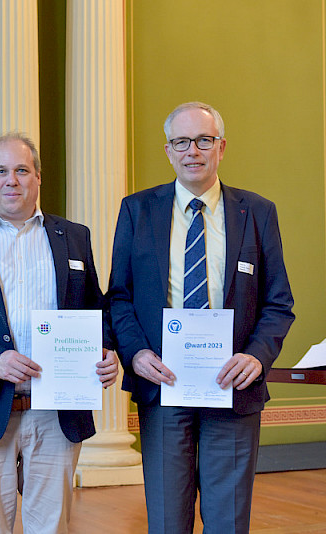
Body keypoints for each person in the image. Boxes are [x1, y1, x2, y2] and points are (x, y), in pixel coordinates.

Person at [108, 101, 295, 533]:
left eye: (204, 140)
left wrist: (256, 357)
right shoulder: (138, 211)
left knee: (228, 520)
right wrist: (135, 354)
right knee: (168, 519)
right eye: (181, 141)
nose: (193, 150)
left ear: (221, 147)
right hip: (163, 385)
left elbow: (278, 302)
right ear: (169, 150)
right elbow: (119, 297)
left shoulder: (258, 212)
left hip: (231, 388)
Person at [0, 133, 119, 533]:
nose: (11, 180)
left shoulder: (74, 237)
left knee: (52, 525)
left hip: (57, 411)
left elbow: (96, 308)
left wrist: (107, 350)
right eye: (1, 171)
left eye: (21, 170)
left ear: (37, 178)